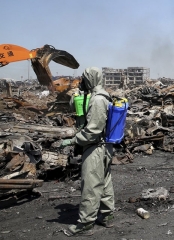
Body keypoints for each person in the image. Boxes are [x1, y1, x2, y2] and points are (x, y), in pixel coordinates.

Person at [60, 67, 115, 236]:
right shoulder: (97, 96)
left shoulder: (98, 100)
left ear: (90, 79)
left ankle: (85, 223)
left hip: (95, 147)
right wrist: (76, 94)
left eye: (83, 79)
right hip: (103, 147)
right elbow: (76, 108)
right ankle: (107, 216)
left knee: (90, 185)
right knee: (104, 182)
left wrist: (73, 140)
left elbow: (92, 131)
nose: (81, 82)